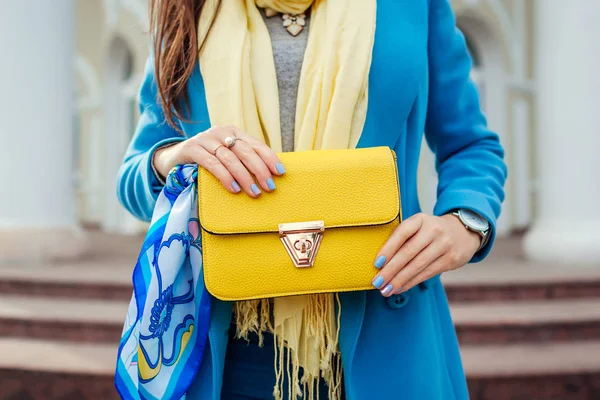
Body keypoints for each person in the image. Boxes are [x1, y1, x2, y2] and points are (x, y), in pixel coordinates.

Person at [116, 0, 507, 399]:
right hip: (224, 350)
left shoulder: (412, 7)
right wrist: (173, 158)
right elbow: (134, 175)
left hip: (384, 328)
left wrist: (465, 223)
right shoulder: (187, 11)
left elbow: (471, 145)